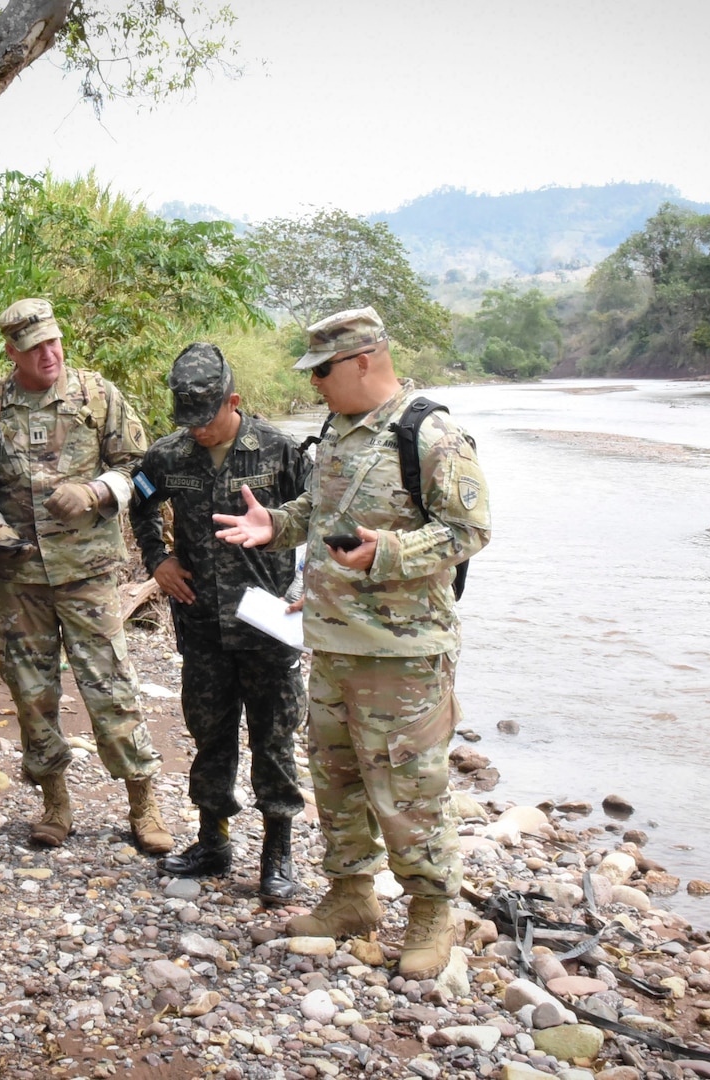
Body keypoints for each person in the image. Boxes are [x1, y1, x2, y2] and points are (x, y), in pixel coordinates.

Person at [213, 306, 491, 979]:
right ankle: (351, 896)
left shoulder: (431, 434)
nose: (316, 385)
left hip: (403, 652)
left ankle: (430, 912)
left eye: (324, 370)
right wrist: (274, 524)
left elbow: (470, 529)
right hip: (331, 643)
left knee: (409, 785)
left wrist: (388, 552)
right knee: (334, 777)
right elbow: (322, 511)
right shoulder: (338, 430)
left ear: (365, 358)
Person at [0, 298, 172, 853]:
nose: (48, 354)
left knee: (111, 685)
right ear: (12, 352)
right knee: (31, 691)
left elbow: (141, 469)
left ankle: (143, 804)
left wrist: (98, 491)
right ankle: (55, 801)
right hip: (19, 575)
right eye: (34, 348)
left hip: (89, 571)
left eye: (53, 341)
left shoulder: (97, 395)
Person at [130, 343, 309, 903]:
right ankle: (213, 842)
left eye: (205, 420)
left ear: (233, 401)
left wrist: (313, 587)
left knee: (274, 738)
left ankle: (276, 854)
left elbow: (327, 516)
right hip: (202, 624)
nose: (197, 431)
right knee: (210, 735)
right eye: (187, 420)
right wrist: (158, 560)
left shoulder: (279, 451)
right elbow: (138, 502)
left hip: (267, 628)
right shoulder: (167, 456)